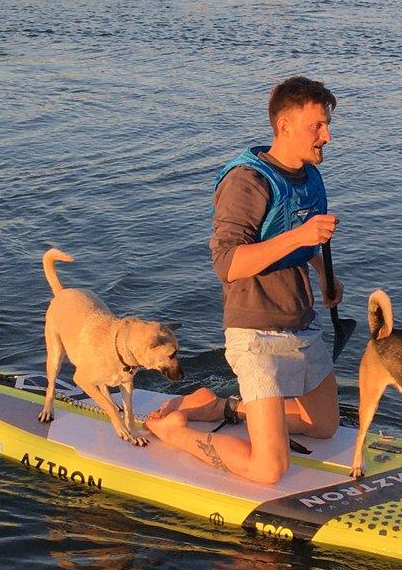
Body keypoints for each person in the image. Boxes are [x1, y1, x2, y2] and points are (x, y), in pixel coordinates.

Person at [145, 76, 342, 485]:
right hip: (256, 331)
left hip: (301, 322)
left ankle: (220, 408)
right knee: (270, 469)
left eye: (326, 125)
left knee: (323, 425)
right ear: (284, 126)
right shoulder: (246, 181)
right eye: (317, 126)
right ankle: (175, 431)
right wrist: (300, 236)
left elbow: (302, 242)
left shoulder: (308, 175)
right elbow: (228, 264)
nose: (327, 136)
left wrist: (324, 277)